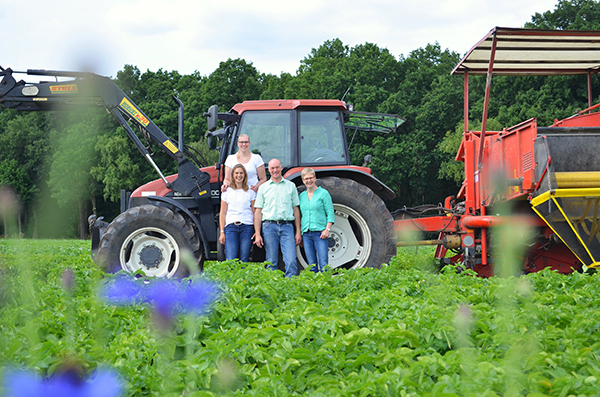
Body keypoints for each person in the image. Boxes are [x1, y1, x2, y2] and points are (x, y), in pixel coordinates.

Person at [253, 159, 302, 277]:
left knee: (291, 260)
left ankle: (290, 285)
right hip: (269, 226)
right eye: (272, 168)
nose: (275, 170)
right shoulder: (263, 188)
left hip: (287, 226)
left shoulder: (291, 186)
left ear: (281, 168)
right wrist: (258, 233)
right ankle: (273, 287)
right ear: (269, 170)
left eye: (277, 167)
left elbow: (296, 209)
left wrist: (298, 231)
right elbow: (258, 211)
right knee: (271, 260)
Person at [299, 168, 334, 272]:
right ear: (303, 181)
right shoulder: (302, 196)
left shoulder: (323, 193)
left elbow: (330, 213)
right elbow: (301, 215)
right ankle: (314, 286)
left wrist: (327, 229)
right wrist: (301, 233)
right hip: (306, 234)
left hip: (320, 233)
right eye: (306, 179)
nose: (308, 181)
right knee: (311, 264)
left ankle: (326, 284)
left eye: (310, 178)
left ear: (315, 178)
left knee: (323, 263)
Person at [219, 164, 256, 262]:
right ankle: (232, 278)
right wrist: (222, 232)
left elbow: (255, 212)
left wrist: (257, 231)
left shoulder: (250, 192)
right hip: (231, 227)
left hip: (247, 227)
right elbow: (223, 213)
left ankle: (243, 278)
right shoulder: (227, 192)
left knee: (244, 258)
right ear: (233, 175)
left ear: (244, 175)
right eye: (236, 173)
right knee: (231, 259)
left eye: (241, 173)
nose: (239, 175)